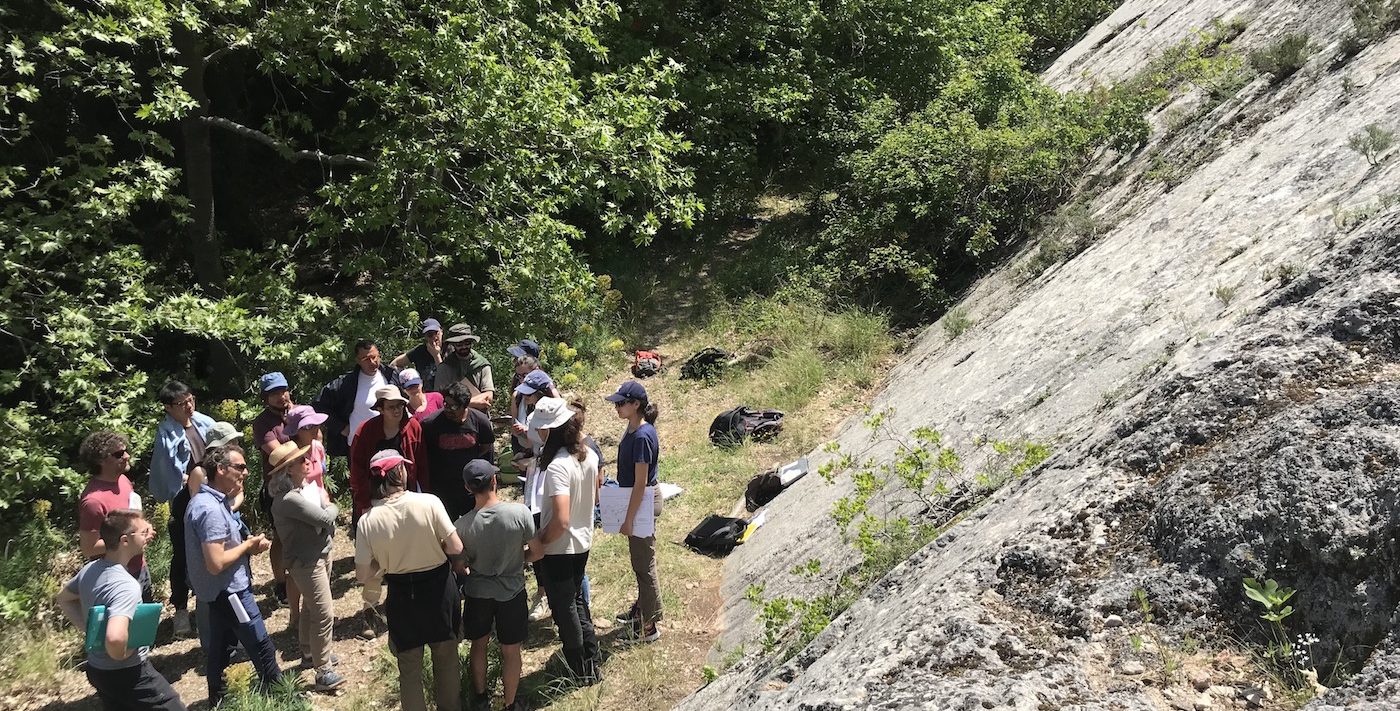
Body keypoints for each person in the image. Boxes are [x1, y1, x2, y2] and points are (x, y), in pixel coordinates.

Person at [355, 450, 463, 711]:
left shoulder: (367, 521)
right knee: (446, 658)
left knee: (409, 667)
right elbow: (456, 546)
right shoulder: (429, 502)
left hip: (402, 593)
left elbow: (362, 575)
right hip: (438, 587)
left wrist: (384, 561)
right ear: (400, 473)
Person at [56, 509, 186, 711]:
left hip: (98, 670)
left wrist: (91, 631)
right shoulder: (126, 585)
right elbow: (116, 639)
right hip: (129, 673)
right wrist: (123, 652)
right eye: (143, 533)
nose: (148, 537)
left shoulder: (90, 570)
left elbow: (64, 599)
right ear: (125, 541)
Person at [185, 444, 281, 704]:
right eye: (240, 467)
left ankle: (218, 700)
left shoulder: (209, 501)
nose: (246, 472)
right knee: (260, 645)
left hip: (218, 592)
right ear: (220, 469)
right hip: (231, 592)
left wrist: (247, 547)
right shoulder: (210, 510)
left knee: (221, 648)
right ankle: (284, 698)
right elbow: (215, 563)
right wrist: (248, 547)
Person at [527, 398, 601, 683]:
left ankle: (580, 668)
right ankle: (591, 660)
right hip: (582, 542)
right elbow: (593, 499)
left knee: (564, 607)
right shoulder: (588, 456)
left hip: (560, 547)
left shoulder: (558, 466)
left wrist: (539, 543)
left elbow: (560, 520)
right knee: (577, 602)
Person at [454, 460, 535, 711]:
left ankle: (480, 698)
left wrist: (470, 570)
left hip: (478, 593)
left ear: (468, 488)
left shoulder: (462, 525)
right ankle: (510, 703)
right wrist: (519, 560)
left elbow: (459, 565)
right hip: (511, 592)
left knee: (479, 644)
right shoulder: (519, 513)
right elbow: (538, 551)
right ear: (495, 481)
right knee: (511, 651)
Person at [268, 441, 345, 691]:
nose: (308, 460)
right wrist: (329, 503)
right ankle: (323, 671)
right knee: (324, 613)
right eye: (301, 460)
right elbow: (325, 517)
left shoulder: (300, 491)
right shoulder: (289, 499)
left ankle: (309, 652)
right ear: (289, 469)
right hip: (307, 561)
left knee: (312, 608)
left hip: (318, 554)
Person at [148, 380, 214, 638]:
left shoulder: (203, 422)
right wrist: (185, 481)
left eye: (190, 400)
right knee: (183, 557)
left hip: (210, 496)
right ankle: (181, 611)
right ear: (167, 407)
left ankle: (207, 605)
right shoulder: (166, 434)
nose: (188, 406)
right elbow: (165, 473)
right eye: (181, 403)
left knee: (210, 550)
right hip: (183, 502)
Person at [605, 380, 664, 643]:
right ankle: (641, 610)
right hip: (635, 499)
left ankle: (649, 628)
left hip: (640, 502)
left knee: (644, 565)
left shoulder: (641, 436)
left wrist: (628, 519)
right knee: (639, 562)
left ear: (636, 405)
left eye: (621, 403)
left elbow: (640, 482)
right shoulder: (635, 429)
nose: (616, 407)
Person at [76, 431, 151, 602]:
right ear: (100, 460)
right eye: (119, 454)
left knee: (145, 625)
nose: (127, 456)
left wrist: (144, 528)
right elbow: (89, 548)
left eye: (125, 451)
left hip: (139, 568)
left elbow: (132, 519)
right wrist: (129, 539)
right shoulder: (93, 501)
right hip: (115, 578)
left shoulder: (123, 480)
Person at [349, 385, 429, 525]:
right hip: (374, 499)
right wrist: (364, 503)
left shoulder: (413, 427)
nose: (397, 410)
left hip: (405, 497)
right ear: (380, 409)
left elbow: (422, 466)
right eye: (391, 407)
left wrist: (424, 498)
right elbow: (357, 471)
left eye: (400, 406)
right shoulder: (364, 431)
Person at [313, 338, 401, 459]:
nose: (372, 362)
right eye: (366, 359)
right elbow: (318, 406)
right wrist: (341, 427)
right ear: (358, 361)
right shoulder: (345, 384)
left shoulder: (391, 376)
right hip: (360, 446)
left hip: (391, 442)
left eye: (375, 357)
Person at [421, 382, 496, 521]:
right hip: (443, 488)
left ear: (465, 406)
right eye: (446, 404)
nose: (448, 409)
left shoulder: (480, 421)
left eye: (453, 406)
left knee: (476, 524)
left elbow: (486, 447)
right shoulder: (430, 424)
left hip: (472, 488)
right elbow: (424, 454)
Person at [252, 371, 295, 607]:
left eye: (283, 390)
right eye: (275, 393)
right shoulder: (263, 422)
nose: (282, 396)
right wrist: (302, 444)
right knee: (279, 536)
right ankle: (281, 583)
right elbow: (278, 454)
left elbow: (317, 436)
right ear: (265, 398)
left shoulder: (297, 412)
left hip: (304, 482)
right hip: (276, 487)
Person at [432, 323, 493, 411]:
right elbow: (439, 398)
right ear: (453, 344)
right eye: (459, 344)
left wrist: (457, 404)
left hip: (477, 415)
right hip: (450, 415)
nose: (464, 347)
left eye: (467, 343)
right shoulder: (445, 367)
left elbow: (488, 396)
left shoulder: (482, 364)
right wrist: (471, 403)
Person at [392, 319, 444, 392]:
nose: (434, 337)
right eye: (430, 335)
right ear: (425, 337)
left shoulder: (449, 349)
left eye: (436, 333)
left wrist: (436, 356)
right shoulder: (419, 351)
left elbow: (445, 377)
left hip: (444, 395)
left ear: (442, 331)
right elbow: (395, 364)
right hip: (425, 396)